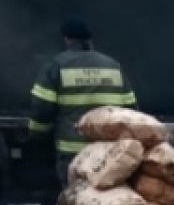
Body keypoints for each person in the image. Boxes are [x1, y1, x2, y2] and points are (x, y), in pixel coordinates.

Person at [28, 18, 138, 194]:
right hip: (110, 152)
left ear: (66, 39)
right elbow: (132, 110)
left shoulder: (56, 66)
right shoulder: (112, 65)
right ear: (90, 39)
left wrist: (37, 137)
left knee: (76, 201)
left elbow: (42, 109)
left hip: (73, 152)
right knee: (105, 202)